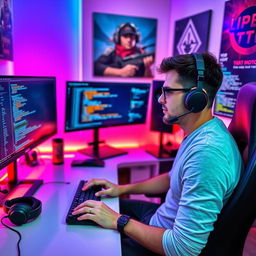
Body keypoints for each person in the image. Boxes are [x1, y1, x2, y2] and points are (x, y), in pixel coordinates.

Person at [72, 52, 243, 255]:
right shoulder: (200, 132)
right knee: (97, 206)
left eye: (168, 92)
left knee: (85, 247)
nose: (160, 99)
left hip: (163, 243)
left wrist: (118, 221)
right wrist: (121, 189)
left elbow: (183, 248)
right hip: (160, 219)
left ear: (196, 99)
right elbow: (172, 178)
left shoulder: (207, 154)